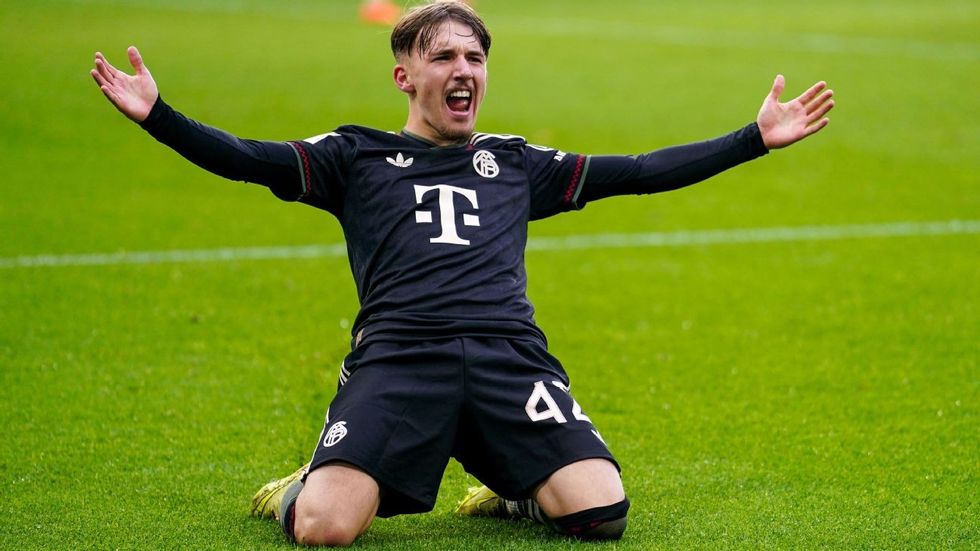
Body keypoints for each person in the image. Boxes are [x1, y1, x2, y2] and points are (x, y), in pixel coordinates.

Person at [91, 0, 833, 546]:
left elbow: (638, 172)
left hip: (509, 359)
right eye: (444, 57)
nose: (463, 71)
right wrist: (160, 115)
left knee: (603, 513)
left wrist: (753, 138)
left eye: (475, 58)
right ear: (404, 75)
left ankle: (515, 491)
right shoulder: (354, 156)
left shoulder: (516, 162)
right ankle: (295, 489)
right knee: (325, 528)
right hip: (401, 359)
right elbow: (249, 160)